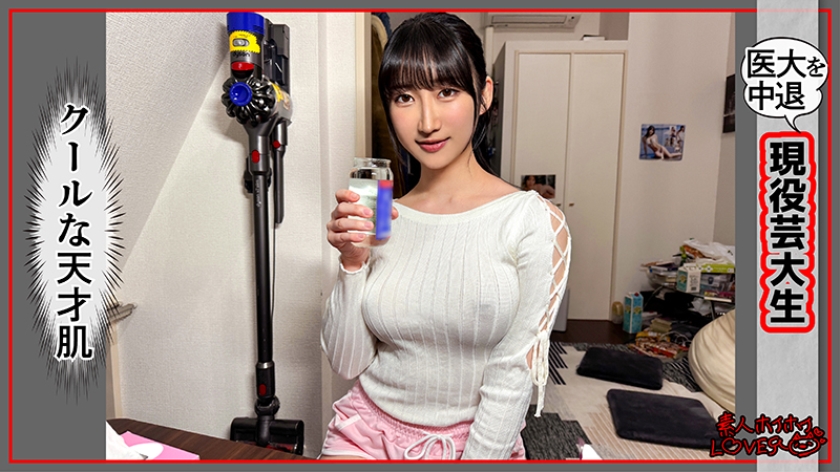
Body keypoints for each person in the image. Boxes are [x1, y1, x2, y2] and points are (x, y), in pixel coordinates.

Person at [320, 12, 571, 461]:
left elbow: (514, 370)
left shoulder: (532, 220)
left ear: (484, 95)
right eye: (404, 97)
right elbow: (347, 364)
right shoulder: (384, 217)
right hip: (365, 434)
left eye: (447, 92)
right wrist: (352, 263)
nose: (427, 121)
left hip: (474, 446)